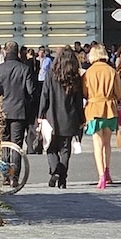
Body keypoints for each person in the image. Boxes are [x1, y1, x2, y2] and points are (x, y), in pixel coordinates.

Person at [0, 42, 38, 186]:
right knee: (16, 144)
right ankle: (14, 177)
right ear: (17, 53)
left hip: (2, 110)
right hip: (19, 110)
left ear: (5, 52)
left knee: (4, 144)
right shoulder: (24, 69)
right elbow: (31, 91)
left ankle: (5, 174)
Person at [38, 45, 84, 189]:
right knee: (66, 149)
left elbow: (44, 95)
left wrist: (41, 114)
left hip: (52, 116)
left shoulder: (51, 74)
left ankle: (55, 170)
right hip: (70, 117)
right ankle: (62, 179)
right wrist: (81, 118)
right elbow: (78, 100)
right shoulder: (75, 76)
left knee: (51, 148)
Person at [82, 43, 121, 189]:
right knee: (107, 143)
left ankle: (101, 177)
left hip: (94, 109)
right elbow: (119, 93)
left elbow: (85, 93)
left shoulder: (88, 73)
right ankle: (107, 172)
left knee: (97, 144)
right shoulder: (112, 71)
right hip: (110, 109)